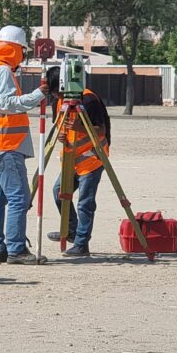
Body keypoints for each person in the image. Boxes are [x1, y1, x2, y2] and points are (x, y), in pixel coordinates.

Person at [0, 25, 49, 265]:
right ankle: (16, 249)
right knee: (19, 198)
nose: (23, 56)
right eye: (22, 51)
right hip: (5, 145)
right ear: (14, 49)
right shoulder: (2, 71)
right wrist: (39, 94)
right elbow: (6, 104)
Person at [46, 66, 111, 257]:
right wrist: (61, 136)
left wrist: (79, 126)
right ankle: (72, 230)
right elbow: (61, 126)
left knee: (85, 203)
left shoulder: (89, 100)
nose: (57, 96)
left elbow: (100, 130)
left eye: (57, 91)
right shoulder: (58, 103)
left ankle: (82, 244)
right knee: (58, 192)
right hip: (71, 159)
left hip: (91, 159)